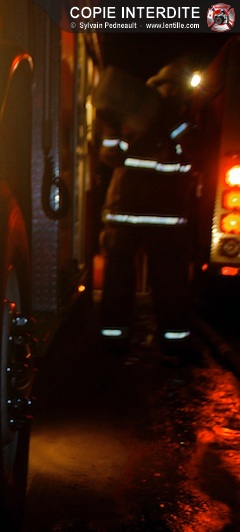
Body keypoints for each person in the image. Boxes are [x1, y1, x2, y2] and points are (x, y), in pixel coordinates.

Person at [97, 60, 200, 363]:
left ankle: (123, 341)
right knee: (161, 280)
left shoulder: (136, 117)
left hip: (129, 212)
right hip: (157, 216)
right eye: (170, 88)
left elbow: (110, 156)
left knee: (129, 278)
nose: (172, 94)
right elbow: (193, 156)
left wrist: (115, 126)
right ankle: (164, 341)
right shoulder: (178, 122)